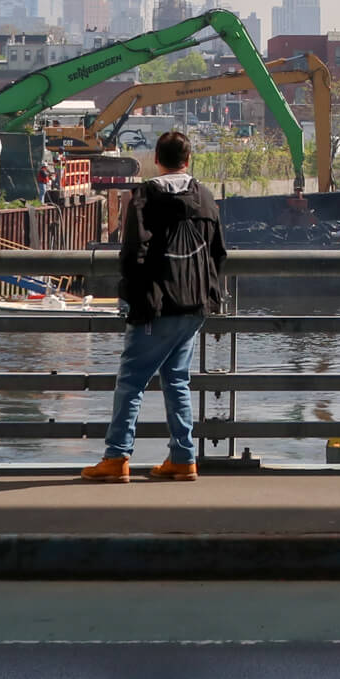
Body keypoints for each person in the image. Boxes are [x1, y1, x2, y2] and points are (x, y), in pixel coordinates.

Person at [82, 130, 226, 484]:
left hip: (156, 304)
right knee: (176, 380)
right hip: (195, 304)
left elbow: (132, 252)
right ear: (188, 160)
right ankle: (183, 457)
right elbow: (218, 252)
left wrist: (132, 298)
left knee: (131, 382)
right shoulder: (205, 198)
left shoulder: (144, 197)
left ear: (156, 161)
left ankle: (116, 458)